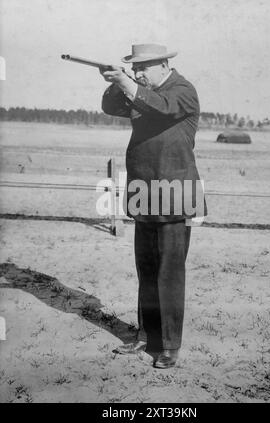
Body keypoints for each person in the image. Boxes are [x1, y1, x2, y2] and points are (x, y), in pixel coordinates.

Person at [100, 44, 206, 369]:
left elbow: (160, 108)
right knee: (146, 270)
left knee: (169, 274)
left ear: (163, 65)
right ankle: (147, 336)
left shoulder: (182, 90)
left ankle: (171, 345)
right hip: (144, 192)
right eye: (135, 69)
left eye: (143, 68)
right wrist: (115, 81)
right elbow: (108, 106)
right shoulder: (141, 89)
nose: (138, 74)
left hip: (174, 194)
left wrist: (129, 84)